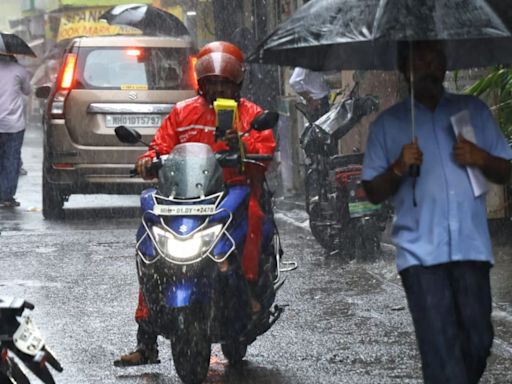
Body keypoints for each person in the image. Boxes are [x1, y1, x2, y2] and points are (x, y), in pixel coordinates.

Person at [114, 41, 276, 367]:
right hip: (186, 197)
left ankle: (249, 295)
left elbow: (263, 152)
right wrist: (149, 160)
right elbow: (160, 146)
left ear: (237, 83)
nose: (218, 88)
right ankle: (146, 341)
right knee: (150, 249)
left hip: (232, 191)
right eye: (212, 81)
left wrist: (241, 145)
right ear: (201, 83)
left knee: (255, 219)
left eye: (225, 82)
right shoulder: (182, 112)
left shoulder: (251, 114)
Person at [362, 41, 512, 384]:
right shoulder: (388, 125)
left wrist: (481, 157)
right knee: (439, 347)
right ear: (405, 69)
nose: (427, 67)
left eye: (433, 60)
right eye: (418, 61)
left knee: (478, 339)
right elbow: (372, 191)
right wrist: (398, 167)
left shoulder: (472, 111)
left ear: (444, 64)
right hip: (420, 255)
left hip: (471, 248)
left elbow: (504, 171)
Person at [0, 54, 31, 207]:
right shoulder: (19, 70)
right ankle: (6, 196)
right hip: (13, 125)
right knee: (11, 160)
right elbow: (27, 91)